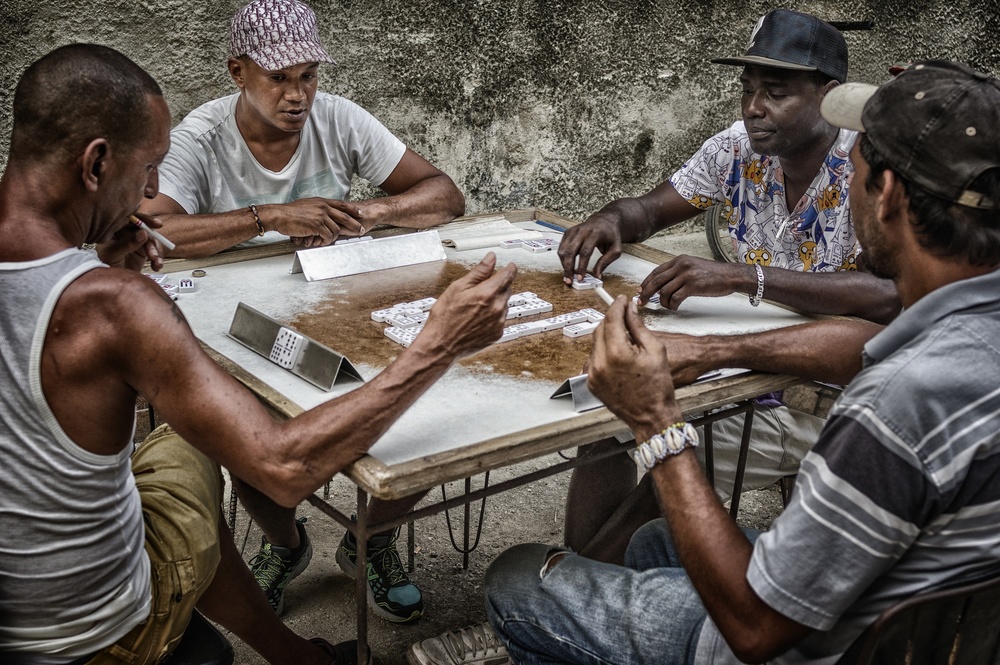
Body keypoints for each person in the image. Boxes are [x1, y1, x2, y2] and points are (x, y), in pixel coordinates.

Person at [0, 43, 515, 665]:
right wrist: (438, 344)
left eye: (308, 76)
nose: (153, 190)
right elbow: (284, 468)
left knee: (185, 440)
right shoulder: (114, 306)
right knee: (215, 440)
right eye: (148, 169)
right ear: (96, 164)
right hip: (87, 630)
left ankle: (299, 632)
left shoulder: (99, 289)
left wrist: (107, 265)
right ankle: (282, 626)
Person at [479, 59, 1000, 665]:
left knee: (519, 579)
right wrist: (715, 350)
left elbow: (756, 628)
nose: (755, 107)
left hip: (818, 646)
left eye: (859, 169)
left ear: (884, 197)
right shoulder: (961, 340)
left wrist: (657, 424)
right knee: (651, 543)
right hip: (935, 624)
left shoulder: (891, 407)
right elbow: (859, 347)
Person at [137, 0, 467, 621]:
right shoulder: (201, 137)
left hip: (332, 302)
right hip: (233, 320)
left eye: (308, 75)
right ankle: (286, 544)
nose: (298, 95)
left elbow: (445, 196)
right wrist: (268, 217)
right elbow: (153, 231)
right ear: (238, 73)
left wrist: (367, 213)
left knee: (429, 400)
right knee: (245, 434)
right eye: (279, 78)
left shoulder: (339, 118)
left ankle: (371, 538)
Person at [556, 8, 904, 567]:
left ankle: (563, 585)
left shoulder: (866, 167)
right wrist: (610, 219)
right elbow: (650, 209)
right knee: (607, 415)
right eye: (747, 90)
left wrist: (744, 276)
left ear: (828, 96)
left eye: (775, 93)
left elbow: (888, 295)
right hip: (745, 367)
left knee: (678, 453)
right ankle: (577, 577)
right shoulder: (738, 148)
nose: (753, 108)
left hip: (823, 393)